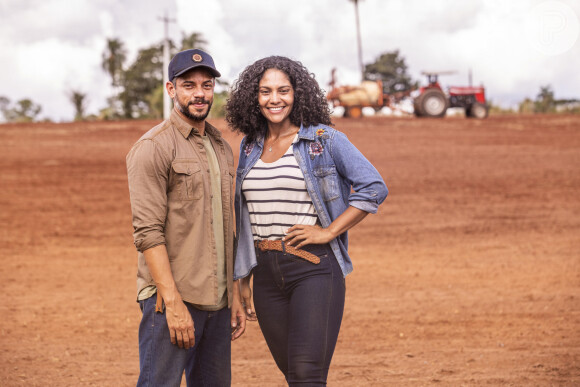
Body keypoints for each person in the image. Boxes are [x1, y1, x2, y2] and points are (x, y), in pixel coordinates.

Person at [225, 56, 388, 386]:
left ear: (297, 93)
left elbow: (374, 186)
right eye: (265, 91)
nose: (275, 99)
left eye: (283, 91)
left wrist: (329, 231)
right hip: (265, 274)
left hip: (313, 268)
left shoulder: (325, 140)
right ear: (253, 98)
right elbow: (244, 216)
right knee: (294, 376)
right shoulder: (248, 147)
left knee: (306, 374)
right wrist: (242, 278)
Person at [126, 48, 246, 387]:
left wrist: (232, 296)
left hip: (217, 302)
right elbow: (147, 232)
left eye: (206, 86)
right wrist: (173, 303)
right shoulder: (153, 147)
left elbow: (227, 227)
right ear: (170, 89)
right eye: (189, 85)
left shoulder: (221, 146)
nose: (199, 94)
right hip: (171, 303)